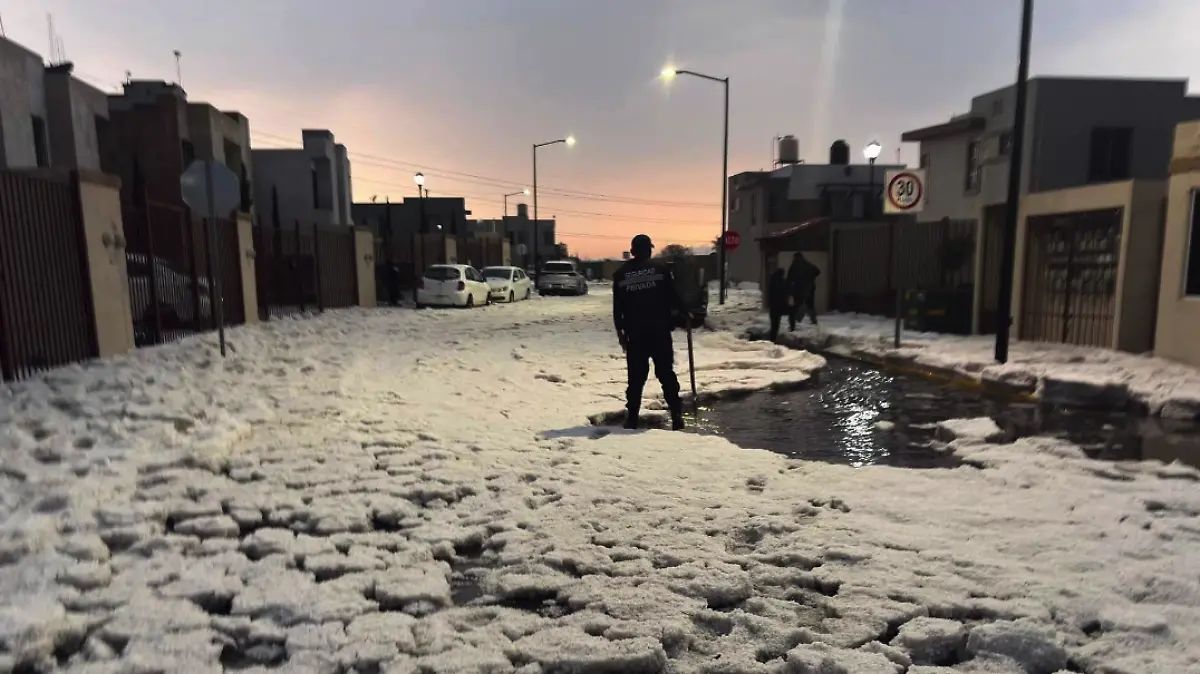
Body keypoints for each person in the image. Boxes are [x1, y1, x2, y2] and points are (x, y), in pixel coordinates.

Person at [612, 234, 685, 431]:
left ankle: (632, 417)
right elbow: (673, 297)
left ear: (633, 251)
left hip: (635, 334)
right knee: (666, 373)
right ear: (648, 250)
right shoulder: (661, 270)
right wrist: (683, 314)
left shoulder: (621, 274)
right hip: (659, 332)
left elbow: (617, 307)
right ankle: (677, 414)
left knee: (636, 377)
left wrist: (620, 332)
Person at [787, 253, 820, 330]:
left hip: (799, 288)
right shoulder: (808, 265)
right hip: (810, 287)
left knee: (799, 304)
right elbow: (817, 271)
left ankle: (797, 318)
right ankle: (813, 319)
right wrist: (811, 278)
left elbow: (789, 278)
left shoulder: (795, 266)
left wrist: (789, 288)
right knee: (809, 304)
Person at [766, 268, 791, 342]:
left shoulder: (772, 281)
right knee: (776, 323)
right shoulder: (783, 282)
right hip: (779, 306)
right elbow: (787, 291)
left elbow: (770, 294)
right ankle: (773, 338)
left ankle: (772, 338)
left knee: (773, 323)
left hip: (773, 306)